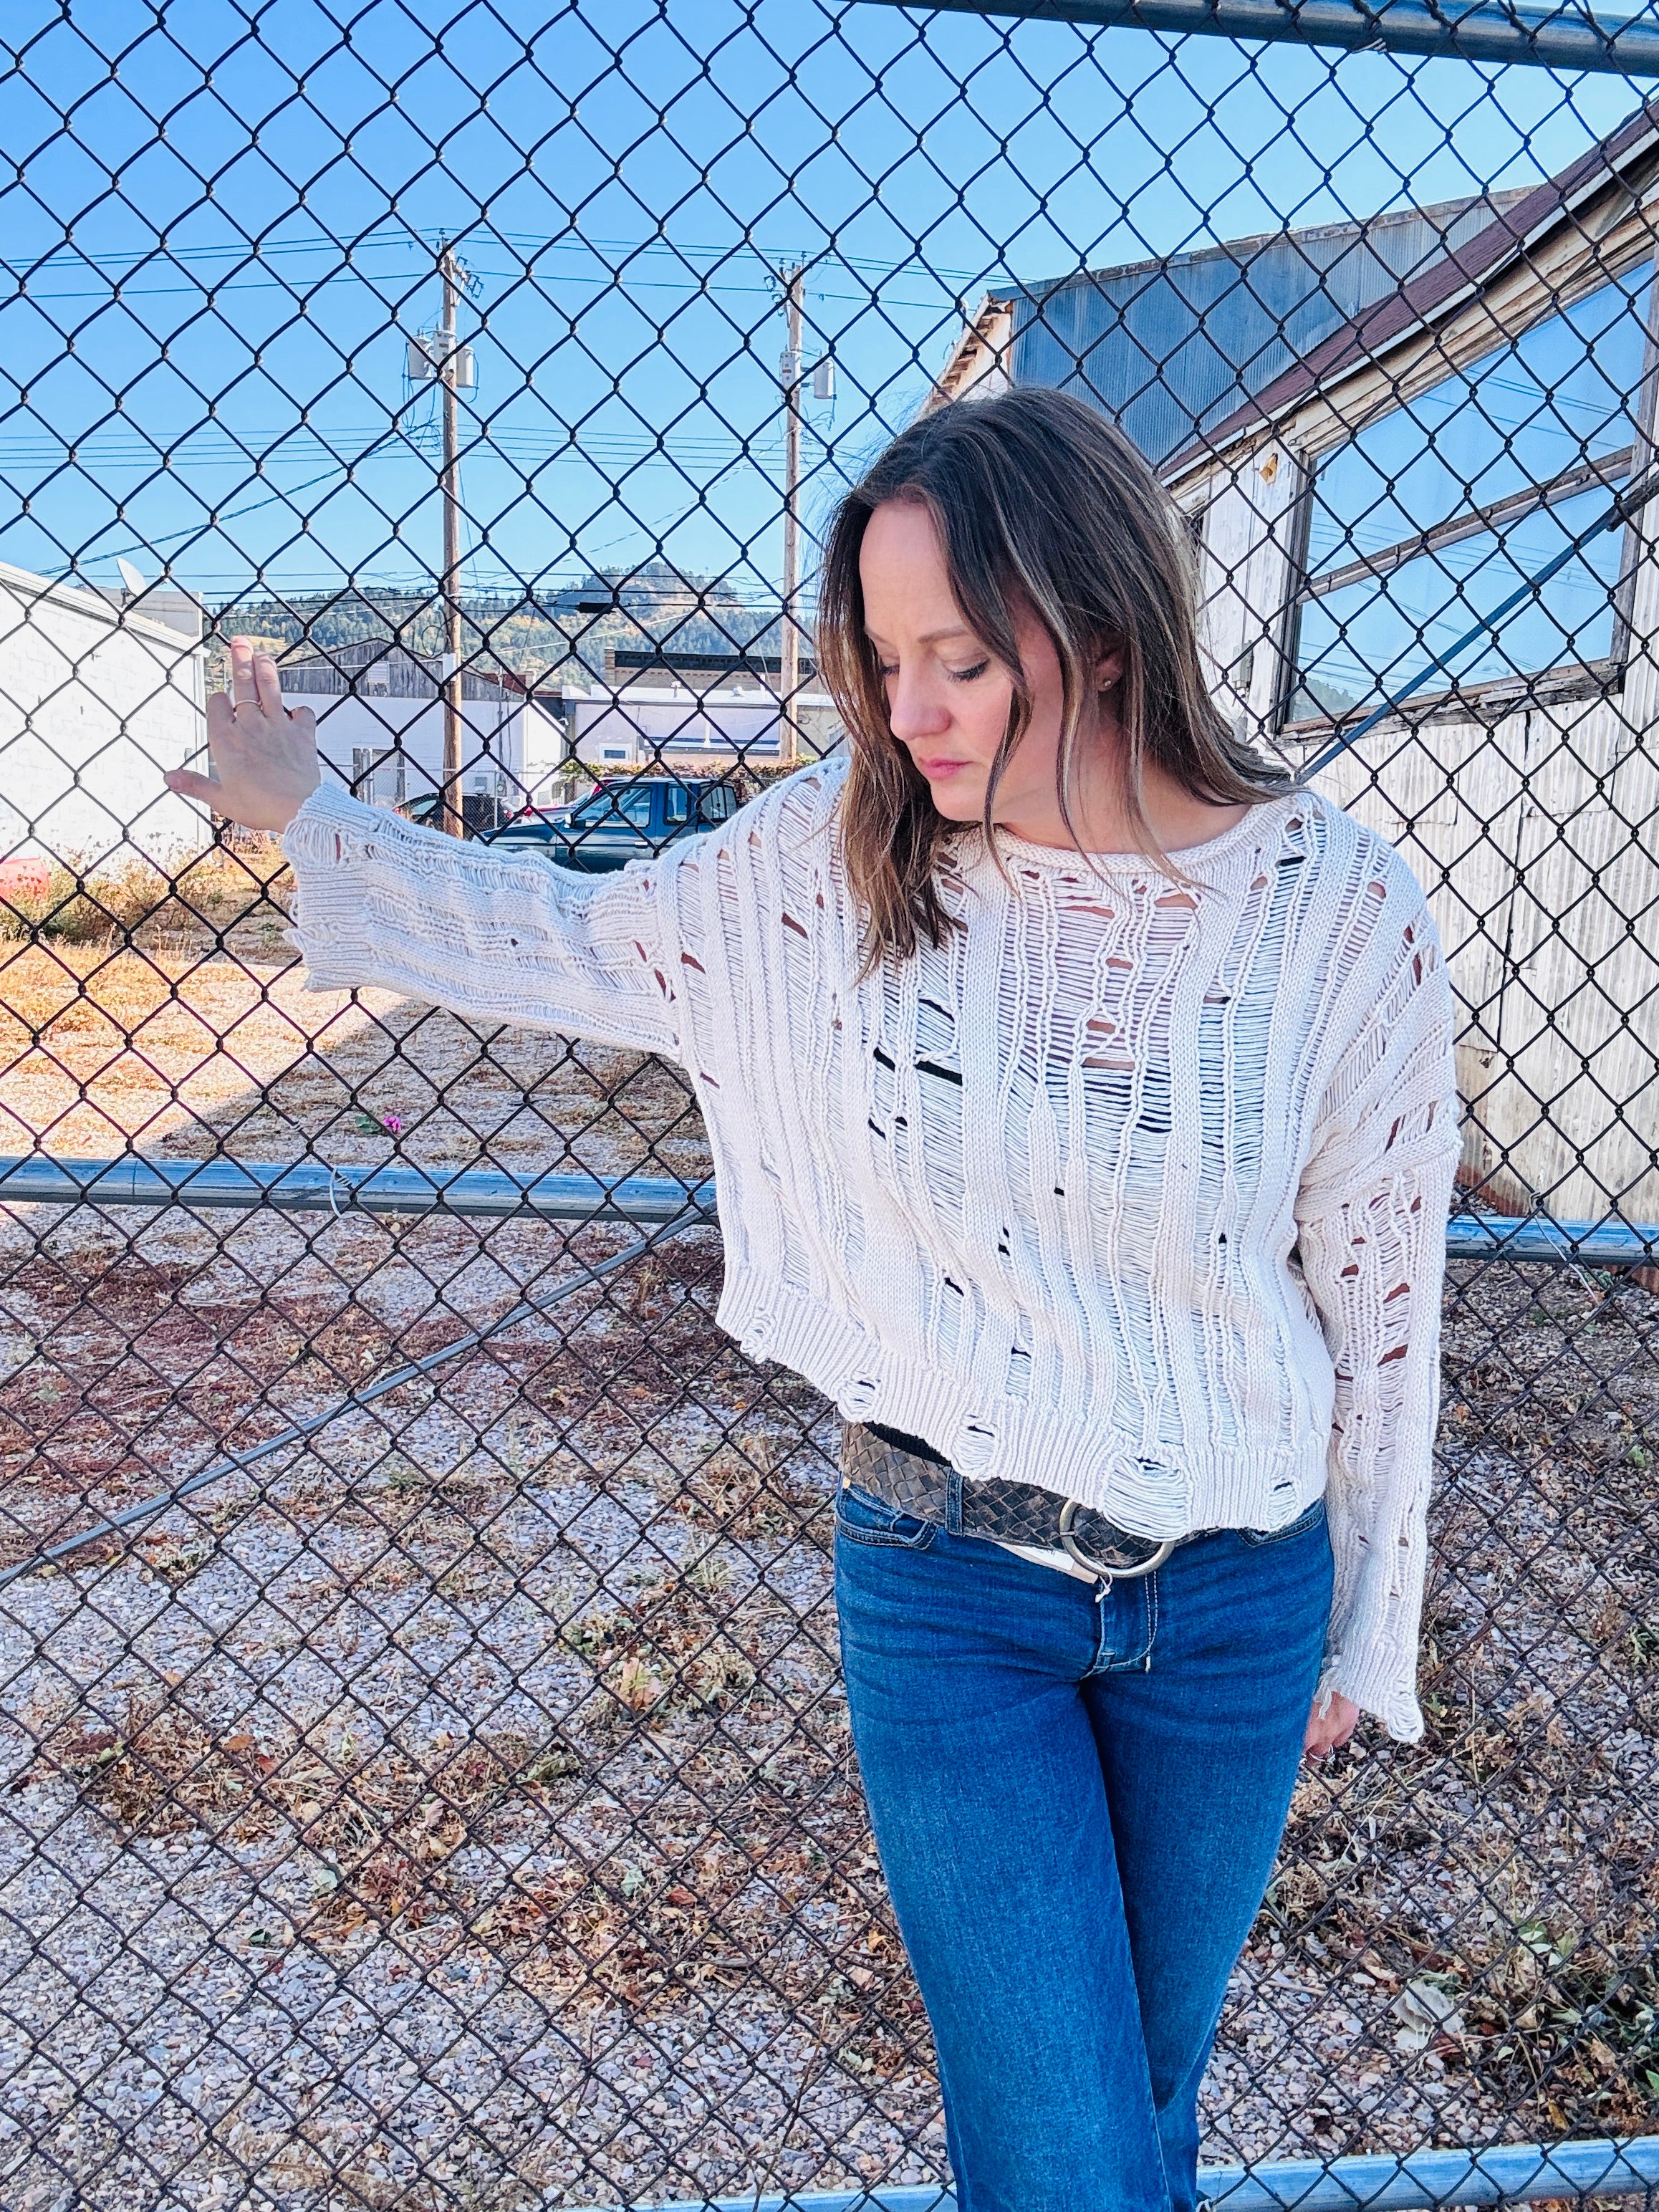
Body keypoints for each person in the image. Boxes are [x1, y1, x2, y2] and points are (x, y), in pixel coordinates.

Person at [168, 388, 1460, 2212]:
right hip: (946, 1593)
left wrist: (1360, 1620)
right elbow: (566, 935)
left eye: (954, 657)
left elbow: (1383, 1300)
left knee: (1139, 2108)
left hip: (1234, 1601)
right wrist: (321, 819)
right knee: (1064, 2154)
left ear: (1099, 628)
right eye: (880, 653)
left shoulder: (1336, 913)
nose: (904, 708)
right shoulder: (837, 854)